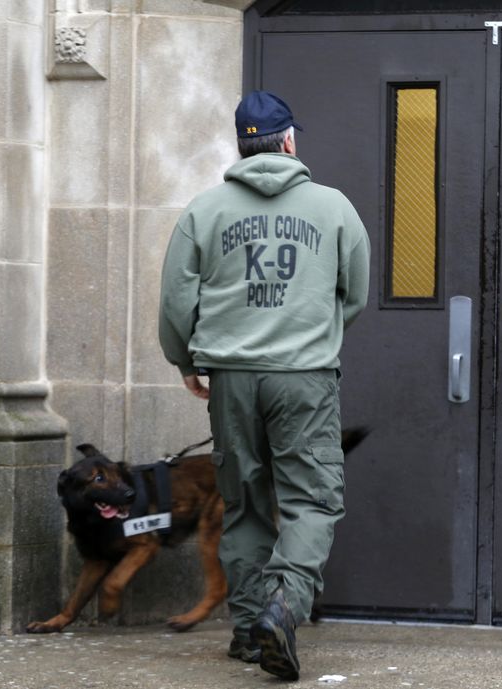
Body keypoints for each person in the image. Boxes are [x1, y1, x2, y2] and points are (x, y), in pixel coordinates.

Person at [158, 90, 370, 681]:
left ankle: (252, 628)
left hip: (231, 376)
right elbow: (354, 293)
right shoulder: (334, 208)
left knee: (243, 501)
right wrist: (315, 336)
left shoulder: (203, 210)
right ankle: (285, 606)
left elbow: (177, 299)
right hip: (303, 377)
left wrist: (186, 359)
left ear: (243, 146)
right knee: (312, 499)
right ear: (289, 142)